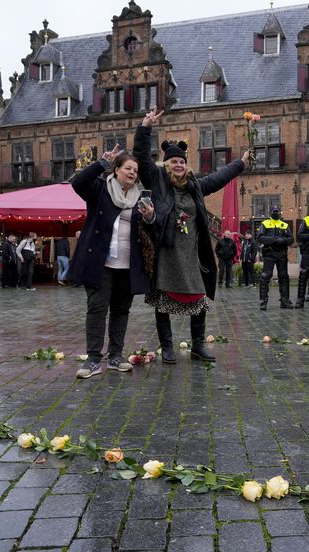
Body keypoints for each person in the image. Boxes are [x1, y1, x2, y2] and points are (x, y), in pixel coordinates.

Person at [133, 108, 250, 364]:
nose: (178, 165)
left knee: (199, 298)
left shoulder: (195, 186)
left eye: (182, 162)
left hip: (191, 254)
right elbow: (141, 157)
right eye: (173, 161)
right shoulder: (157, 180)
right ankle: (168, 348)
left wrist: (240, 164)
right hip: (167, 251)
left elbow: (218, 178)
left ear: (186, 165)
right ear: (166, 164)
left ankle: (198, 345)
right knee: (163, 300)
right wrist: (145, 127)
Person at [69, 148, 156, 377]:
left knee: (121, 310)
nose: (132, 173)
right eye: (127, 168)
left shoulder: (141, 196)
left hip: (128, 263)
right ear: (116, 170)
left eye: (135, 170)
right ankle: (94, 359)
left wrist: (149, 217)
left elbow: (150, 228)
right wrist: (100, 163)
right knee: (97, 309)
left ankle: (116, 356)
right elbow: (77, 184)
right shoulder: (100, 189)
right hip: (101, 262)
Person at [257, 206, 293, 310]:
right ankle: (263, 301)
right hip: (270, 253)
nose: (276, 213)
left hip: (281, 254)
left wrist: (283, 241)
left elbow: (291, 239)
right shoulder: (265, 223)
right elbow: (260, 237)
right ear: (271, 213)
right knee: (265, 276)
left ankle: (285, 300)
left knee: (284, 276)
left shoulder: (284, 225)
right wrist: (274, 240)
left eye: (278, 212)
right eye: (274, 212)